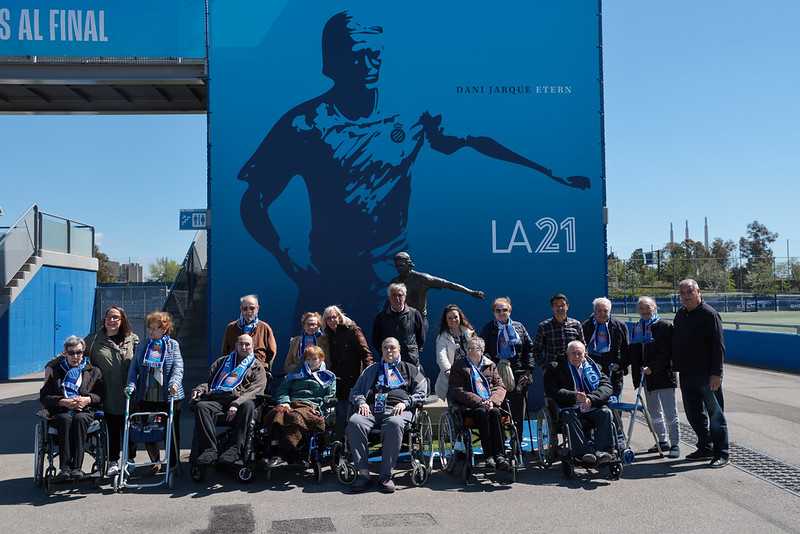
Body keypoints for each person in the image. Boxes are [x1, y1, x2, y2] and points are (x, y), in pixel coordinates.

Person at [238, 10, 591, 325]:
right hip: (327, 283)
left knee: (397, 363)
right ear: (331, 61)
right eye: (357, 54)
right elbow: (253, 202)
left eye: (374, 54)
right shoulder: (304, 125)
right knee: (317, 366)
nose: (368, 63)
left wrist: (550, 172)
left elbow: (475, 140)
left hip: (392, 284)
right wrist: (294, 265)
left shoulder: (411, 114)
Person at [44, 305, 139, 478]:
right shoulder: (94, 339)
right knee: (112, 427)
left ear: (122, 320)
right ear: (104, 319)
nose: (112, 320)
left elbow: (141, 359)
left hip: (128, 390)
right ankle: (112, 461)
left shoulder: (132, 339)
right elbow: (72, 351)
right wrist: (51, 365)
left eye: (116, 317)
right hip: (106, 390)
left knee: (129, 425)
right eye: (109, 317)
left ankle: (130, 459)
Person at [346, 337, 427, 493]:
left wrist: (406, 403)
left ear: (399, 349)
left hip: (399, 410)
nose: (389, 351)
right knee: (355, 421)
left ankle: (385, 476)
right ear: (381, 350)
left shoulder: (410, 369)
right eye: (385, 348)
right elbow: (355, 391)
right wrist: (361, 402)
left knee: (394, 424)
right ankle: (363, 474)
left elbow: (422, 391)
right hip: (372, 409)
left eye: (392, 347)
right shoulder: (372, 370)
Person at [672, 279, 729, 468]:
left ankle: (721, 453)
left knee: (715, 415)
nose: (686, 296)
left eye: (690, 292)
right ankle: (705, 447)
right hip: (687, 374)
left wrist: (717, 374)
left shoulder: (709, 314)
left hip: (707, 375)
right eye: (682, 293)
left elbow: (718, 346)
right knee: (693, 414)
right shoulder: (680, 315)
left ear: (698, 292)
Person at [190, 334, 268, 465]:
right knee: (201, 406)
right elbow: (210, 384)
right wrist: (199, 389)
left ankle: (235, 449)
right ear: (236, 345)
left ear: (252, 347)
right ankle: (210, 450)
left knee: (249, 405)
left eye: (247, 344)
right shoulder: (222, 362)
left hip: (240, 401)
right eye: (241, 344)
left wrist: (236, 403)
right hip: (219, 399)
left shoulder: (257, 366)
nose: (244, 347)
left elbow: (256, 389)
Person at [125, 311, 184, 472]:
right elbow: (134, 368)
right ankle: (155, 461)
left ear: (164, 329)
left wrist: (174, 383)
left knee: (171, 430)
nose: (151, 331)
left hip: (169, 394)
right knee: (147, 429)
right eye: (149, 328)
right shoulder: (144, 345)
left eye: (155, 328)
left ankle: (173, 464)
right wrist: (131, 385)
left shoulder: (173, 345)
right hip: (147, 394)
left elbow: (178, 367)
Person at [39, 336, 103, 481]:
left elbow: (100, 395)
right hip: (62, 411)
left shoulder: (93, 371)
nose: (75, 356)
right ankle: (65, 469)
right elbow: (44, 397)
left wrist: (87, 399)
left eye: (78, 352)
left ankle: (76, 468)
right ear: (65, 353)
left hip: (84, 411)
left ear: (83, 352)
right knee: (65, 419)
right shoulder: (56, 371)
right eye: (71, 353)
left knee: (80, 419)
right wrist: (62, 401)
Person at [544, 340, 615, 465]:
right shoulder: (556, 368)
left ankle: (603, 452)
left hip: (590, 406)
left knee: (606, 413)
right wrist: (574, 396)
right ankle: (582, 454)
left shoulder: (594, 368)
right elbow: (552, 390)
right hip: (569, 407)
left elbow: (607, 387)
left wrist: (591, 399)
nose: (576, 356)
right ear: (567, 354)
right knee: (569, 415)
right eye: (573, 353)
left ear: (585, 354)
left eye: (579, 353)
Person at [263, 345, 336, 466]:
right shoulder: (296, 374)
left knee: (294, 416)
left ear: (321, 359)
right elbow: (282, 390)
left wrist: (320, 408)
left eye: (314, 359)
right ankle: (274, 450)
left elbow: (330, 396)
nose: (311, 362)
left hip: (311, 405)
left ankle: (288, 451)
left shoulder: (329, 377)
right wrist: (285, 402)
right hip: (292, 403)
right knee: (277, 413)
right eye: (308, 359)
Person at [627, 296, 679, 458]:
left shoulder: (665, 326)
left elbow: (668, 353)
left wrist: (653, 368)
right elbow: (634, 353)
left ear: (655, 307)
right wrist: (636, 374)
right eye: (641, 308)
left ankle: (675, 444)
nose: (645, 311)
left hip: (664, 376)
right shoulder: (637, 327)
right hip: (647, 378)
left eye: (648, 307)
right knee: (654, 412)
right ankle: (662, 441)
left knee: (670, 413)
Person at [447, 336, 508, 470]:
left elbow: (500, 386)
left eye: (472, 348)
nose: (469, 351)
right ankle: (488, 456)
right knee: (482, 413)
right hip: (470, 407)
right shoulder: (459, 366)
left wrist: (492, 401)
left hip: (490, 404)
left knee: (495, 413)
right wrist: (480, 401)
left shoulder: (490, 365)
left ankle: (500, 456)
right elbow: (457, 390)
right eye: (468, 348)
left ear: (481, 350)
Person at [480, 297, 534, 437]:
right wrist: (492, 366)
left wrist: (529, 370)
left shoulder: (519, 327)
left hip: (518, 371)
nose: (501, 313)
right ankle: (501, 440)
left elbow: (529, 349)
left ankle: (517, 439)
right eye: (498, 310)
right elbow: (483, 351)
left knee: (518, 409)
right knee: (500, 407)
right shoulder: (488, 328)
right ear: (494, 312)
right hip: (497, 372)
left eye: (504, 310)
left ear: (510, 311)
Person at [322, 305, 373, 438]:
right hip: (338, 379)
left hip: (354, 376)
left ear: (339, 317)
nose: (331, 320)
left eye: (334, 317)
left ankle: (353, 439)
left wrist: (369, 374)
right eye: (328, 318)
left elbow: (366, 353)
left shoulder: (352, 330)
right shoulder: (327, 335)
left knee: (353, 410)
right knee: (340, 411)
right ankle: (341, 440)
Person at [391, 252, 484, 322]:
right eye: (397, 266)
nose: (399, 268)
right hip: (400, 319)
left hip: (419, 320)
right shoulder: (395, 282)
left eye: (401, 265)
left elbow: (449, 284)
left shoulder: (422, 279)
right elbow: (390, 302)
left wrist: (471, 292)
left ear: (409, 264)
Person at [581, 297, 629, 398]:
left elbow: (626, 348)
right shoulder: (586, 325)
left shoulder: (619, 325)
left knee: (614, 397)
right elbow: (581, 345)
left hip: (613, 366)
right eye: (599, 311)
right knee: (595, 394)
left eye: (605, 311)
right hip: (593, 364)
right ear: (594, 311)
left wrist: (621, 365)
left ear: (610, 311)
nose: (602, 313)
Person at [372, 283, 425, 368]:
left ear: (405, 297)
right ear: (389, 298)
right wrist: (386, 352)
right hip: (389, 361)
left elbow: (421, 338)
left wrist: (412, 351)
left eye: (400, 295)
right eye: (393, 295)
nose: (397, 298)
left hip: (410, 360)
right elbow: (376, 339)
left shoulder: (415, 314)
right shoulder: (381, 317)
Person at [221, 294, 278, 369]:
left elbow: (272, 352)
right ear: (241, 309)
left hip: (257, 370)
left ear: (257, 308)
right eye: (245, 308)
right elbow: (225, 352)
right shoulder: (231, 328)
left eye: (252, 308)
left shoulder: (265, 328)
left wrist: (265, 368)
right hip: (235, 370)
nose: (248, 311)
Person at [532, 293, 586, 368]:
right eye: (556, 305)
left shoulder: (576, 324)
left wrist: (582, 363)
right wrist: (545, 366)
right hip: (553, 369)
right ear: (552, 308)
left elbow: (583, 346)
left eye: (562, 305)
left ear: (567, 306)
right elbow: (536, 350)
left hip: (573, 368)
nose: (560, 308)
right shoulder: (544, 327)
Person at [434, 304, 474, 400]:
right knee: (456, 403)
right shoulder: (442, 337)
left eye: (455, 317)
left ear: (460, 317)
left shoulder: (469, 332)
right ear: (446, 320)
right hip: (453, 375)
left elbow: (477, 349)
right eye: (450, 318)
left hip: (470, 373)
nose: (453, 320)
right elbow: (441, 356)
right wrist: (448, 371)